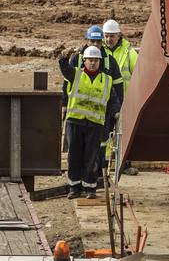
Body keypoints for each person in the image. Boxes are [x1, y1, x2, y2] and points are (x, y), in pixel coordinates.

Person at [57, 46, 122, 199]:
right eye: (90, 60)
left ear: (100, 62)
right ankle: (74, 187)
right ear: (84, 61)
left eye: (96, 60)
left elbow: (113, 100)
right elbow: (64, 67)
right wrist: (64, 56)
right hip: (75, 122)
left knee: (91, 157)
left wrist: (117, 113)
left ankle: (90, 188)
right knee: (74, 156)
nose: (93, 63)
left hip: (95, 124)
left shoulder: (106, 80)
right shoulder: (76, 75)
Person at [101, 19, 139, 176]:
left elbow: (138, 75)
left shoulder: (129, 53)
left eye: (112, 36)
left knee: (123, 134)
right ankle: (104, 164)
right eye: (107, 36)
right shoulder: (99, 52)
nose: (109, 39)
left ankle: (125, 164)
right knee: (105, 134)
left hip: (124, 101)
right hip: (104, 101)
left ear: (119, 35)